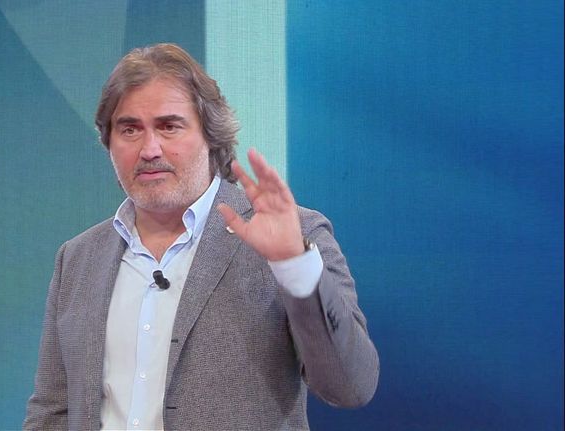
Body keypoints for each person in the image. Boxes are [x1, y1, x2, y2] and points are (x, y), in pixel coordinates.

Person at [24, 43, 379, 431]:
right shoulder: (78, 257)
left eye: (169, 126)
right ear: (109, 143)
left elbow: (351, 386)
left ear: (211, 136)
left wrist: (293, 265)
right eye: (129, 129)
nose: (149, 149)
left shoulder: (294, 236)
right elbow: (52, 410)